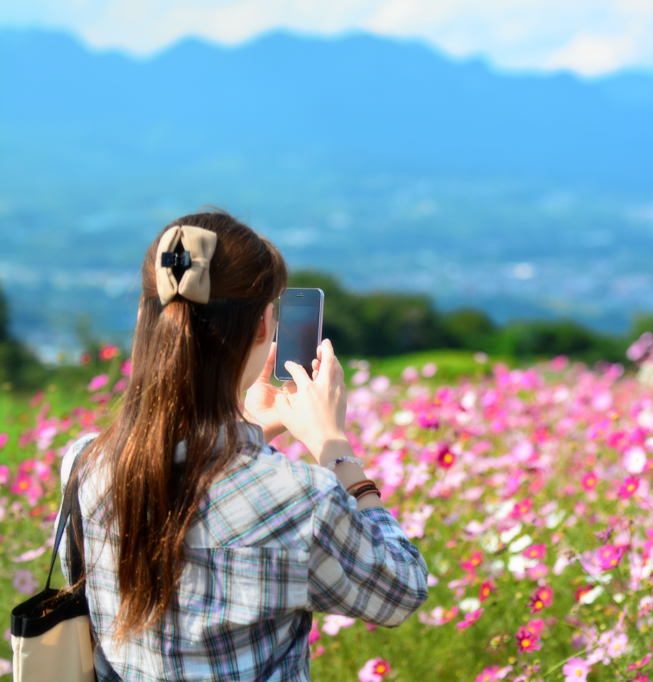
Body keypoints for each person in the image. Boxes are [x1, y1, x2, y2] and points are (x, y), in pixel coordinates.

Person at [55, 210, 430, 680]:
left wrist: (248, 426)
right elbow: (401, 592)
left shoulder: (86, 462)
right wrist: (336, 451)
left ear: (145, 319)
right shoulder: (299, 499)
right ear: (262, 328)